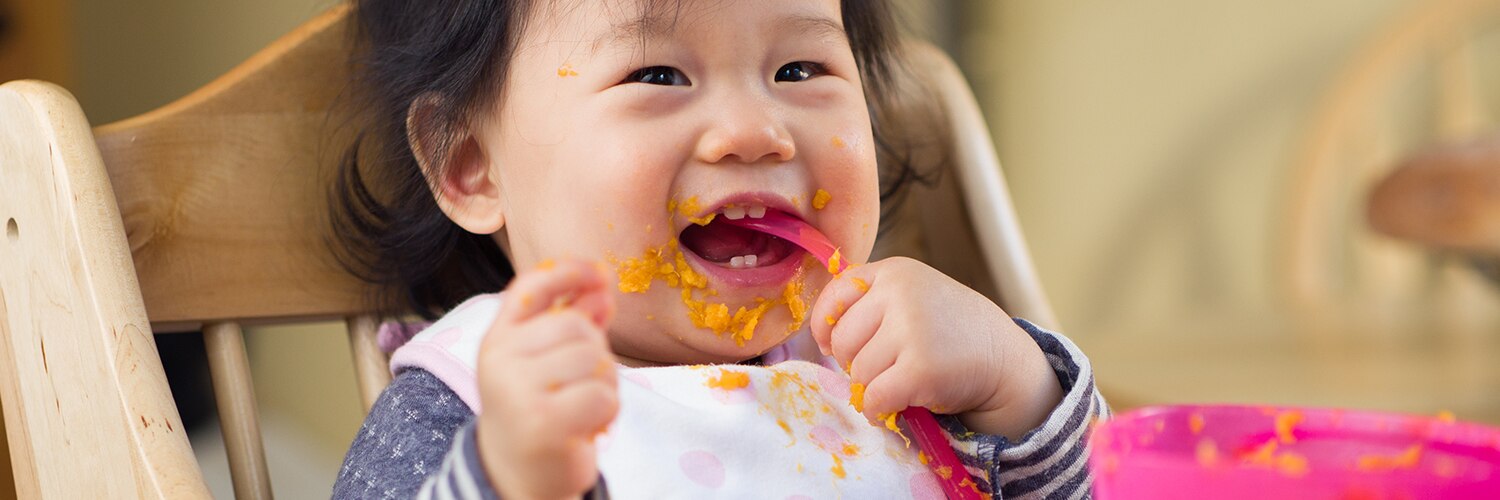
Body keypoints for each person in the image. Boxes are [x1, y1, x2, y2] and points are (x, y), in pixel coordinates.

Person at [331, 0, 1109, 498]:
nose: (753, 131)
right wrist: (505, 476)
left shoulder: (888, 369)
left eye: (799, 68)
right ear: (470, 165)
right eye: (658, 73)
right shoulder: (467, 405)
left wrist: (1017, 385)